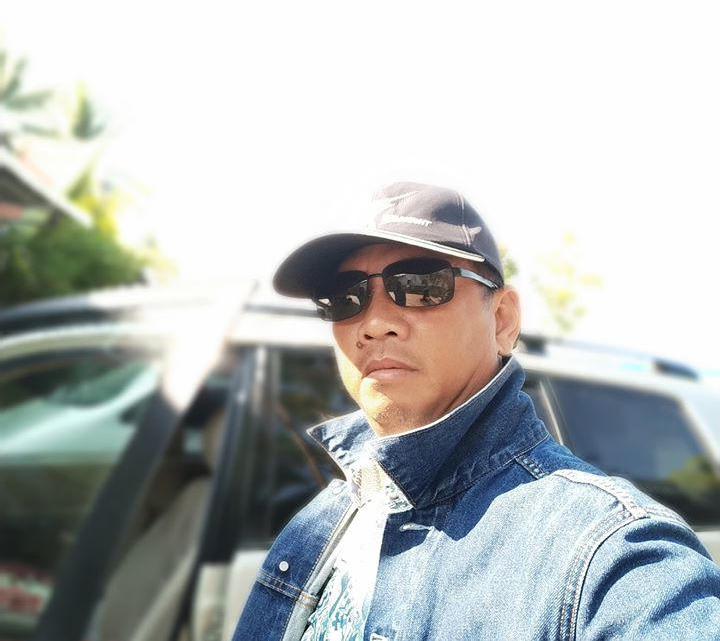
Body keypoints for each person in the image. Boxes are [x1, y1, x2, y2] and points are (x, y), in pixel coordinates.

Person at [232, 181, 720, 640]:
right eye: (345, 298)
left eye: (420, 285)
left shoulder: (609, 550)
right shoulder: (328, 514)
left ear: (502, 320)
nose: (374, 322)